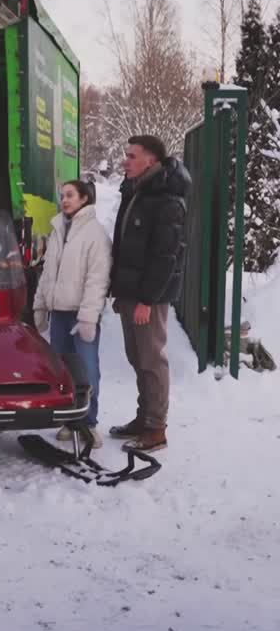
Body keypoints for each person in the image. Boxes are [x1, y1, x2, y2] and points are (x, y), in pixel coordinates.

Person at [109, 134, 191, 455]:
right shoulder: (136, 191)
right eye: (125, 155)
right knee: (137, 358)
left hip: (149, 298)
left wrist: (147, 299)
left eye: (131, 156)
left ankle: (156, 429)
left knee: (151, 359)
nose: (125, 161)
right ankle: (144, 418)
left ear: (151, 161)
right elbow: (126, 247)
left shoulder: (167, 200)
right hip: (132, 293)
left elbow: (165, 256)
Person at [33, 180, 112, 449]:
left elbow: (97, 279)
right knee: (62, 369)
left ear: (84, 199)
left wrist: (89, 317)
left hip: (81, 316)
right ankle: (69, 420)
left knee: (88, 370)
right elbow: (47, 273)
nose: (64, 200)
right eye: (62, 196)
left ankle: (88, 423)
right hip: (59, 314)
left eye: (70, 195)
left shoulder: (95, 234)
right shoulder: (56, 229)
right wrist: (40, 305)